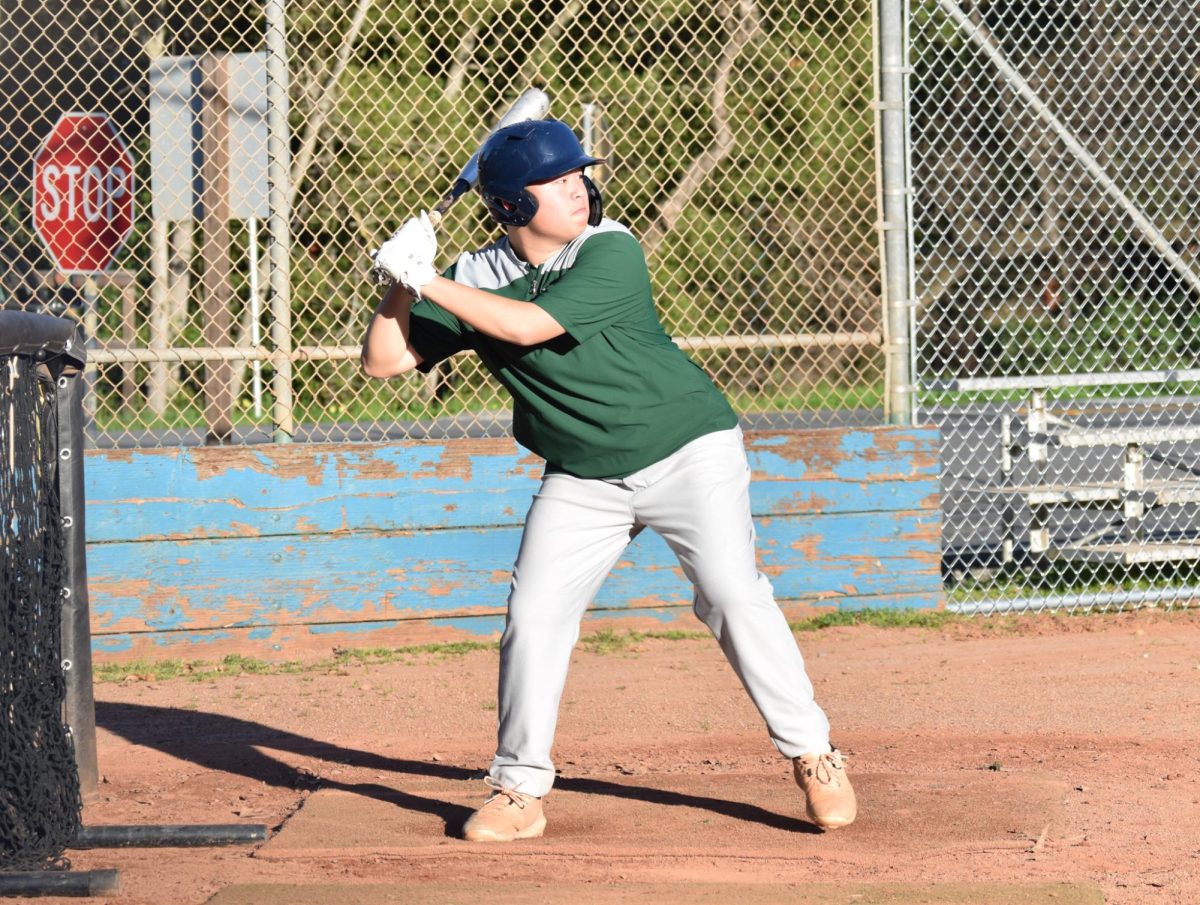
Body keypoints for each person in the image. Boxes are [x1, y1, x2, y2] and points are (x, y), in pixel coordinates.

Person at [360, 119, 856, 842]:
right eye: (555, 183)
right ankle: (518, 788)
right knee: (533, 616)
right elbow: (383, 363)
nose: (578, 189)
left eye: (577, 176)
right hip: (584, 474)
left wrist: (428, 278)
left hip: (687, 448)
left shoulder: (611, 248)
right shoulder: (476, 277)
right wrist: (395, 288)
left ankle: (814, 753)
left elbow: (529, 327)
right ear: (510, 206)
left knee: (731, 593)